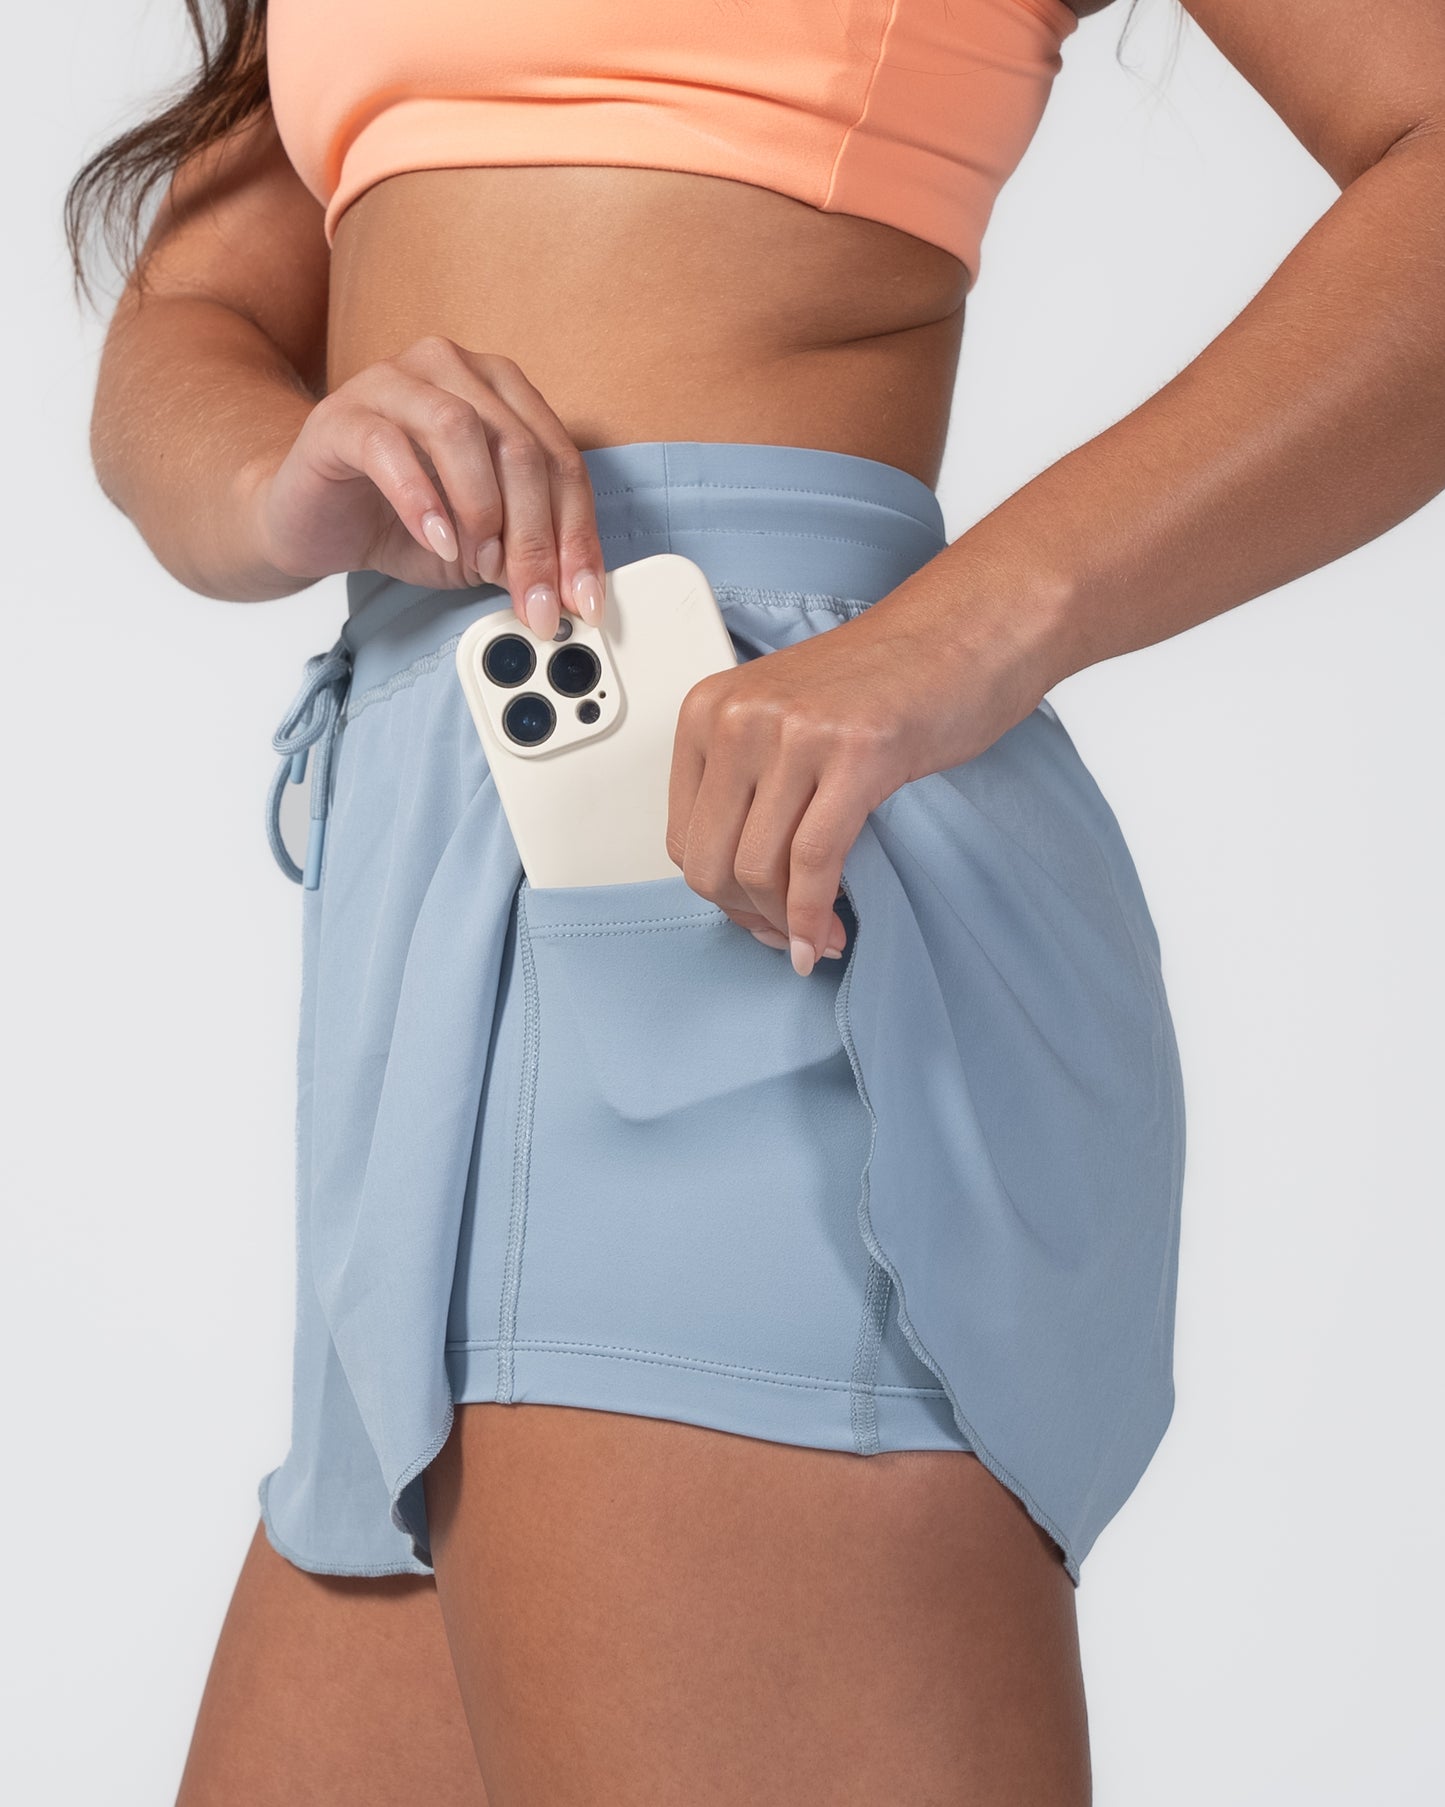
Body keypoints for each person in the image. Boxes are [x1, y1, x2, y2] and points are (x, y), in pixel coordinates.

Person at [64, 1, 1445, 1801]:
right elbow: (198, 313)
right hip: (422, 931)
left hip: (749, 891)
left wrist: (980, 621)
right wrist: (286, 477)